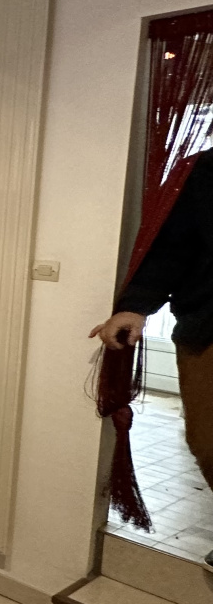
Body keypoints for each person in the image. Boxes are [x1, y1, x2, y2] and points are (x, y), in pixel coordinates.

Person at [92, 148, 213, 558]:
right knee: (208, 441)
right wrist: (136, 306)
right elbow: (173, 247)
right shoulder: (206, 170)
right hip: (208, 327)